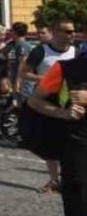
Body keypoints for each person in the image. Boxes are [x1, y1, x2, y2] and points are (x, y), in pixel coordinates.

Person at [25, 54, 87, 216]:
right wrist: (63, 114)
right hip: (80, 149)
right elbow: (36, 101)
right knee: (80, 213)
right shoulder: (66, 68)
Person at [19, 18, 78, 194]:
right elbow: (25, 73)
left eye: (73, 31)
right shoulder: (41, 51)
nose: (71, 35)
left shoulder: (76, 51)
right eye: (67, 31)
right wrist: (46, 79)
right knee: (49, 140)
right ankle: (54, 179)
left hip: (69, 98)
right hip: (45, 98)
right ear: (55, 31)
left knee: (70, 140)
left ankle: (69, 178)